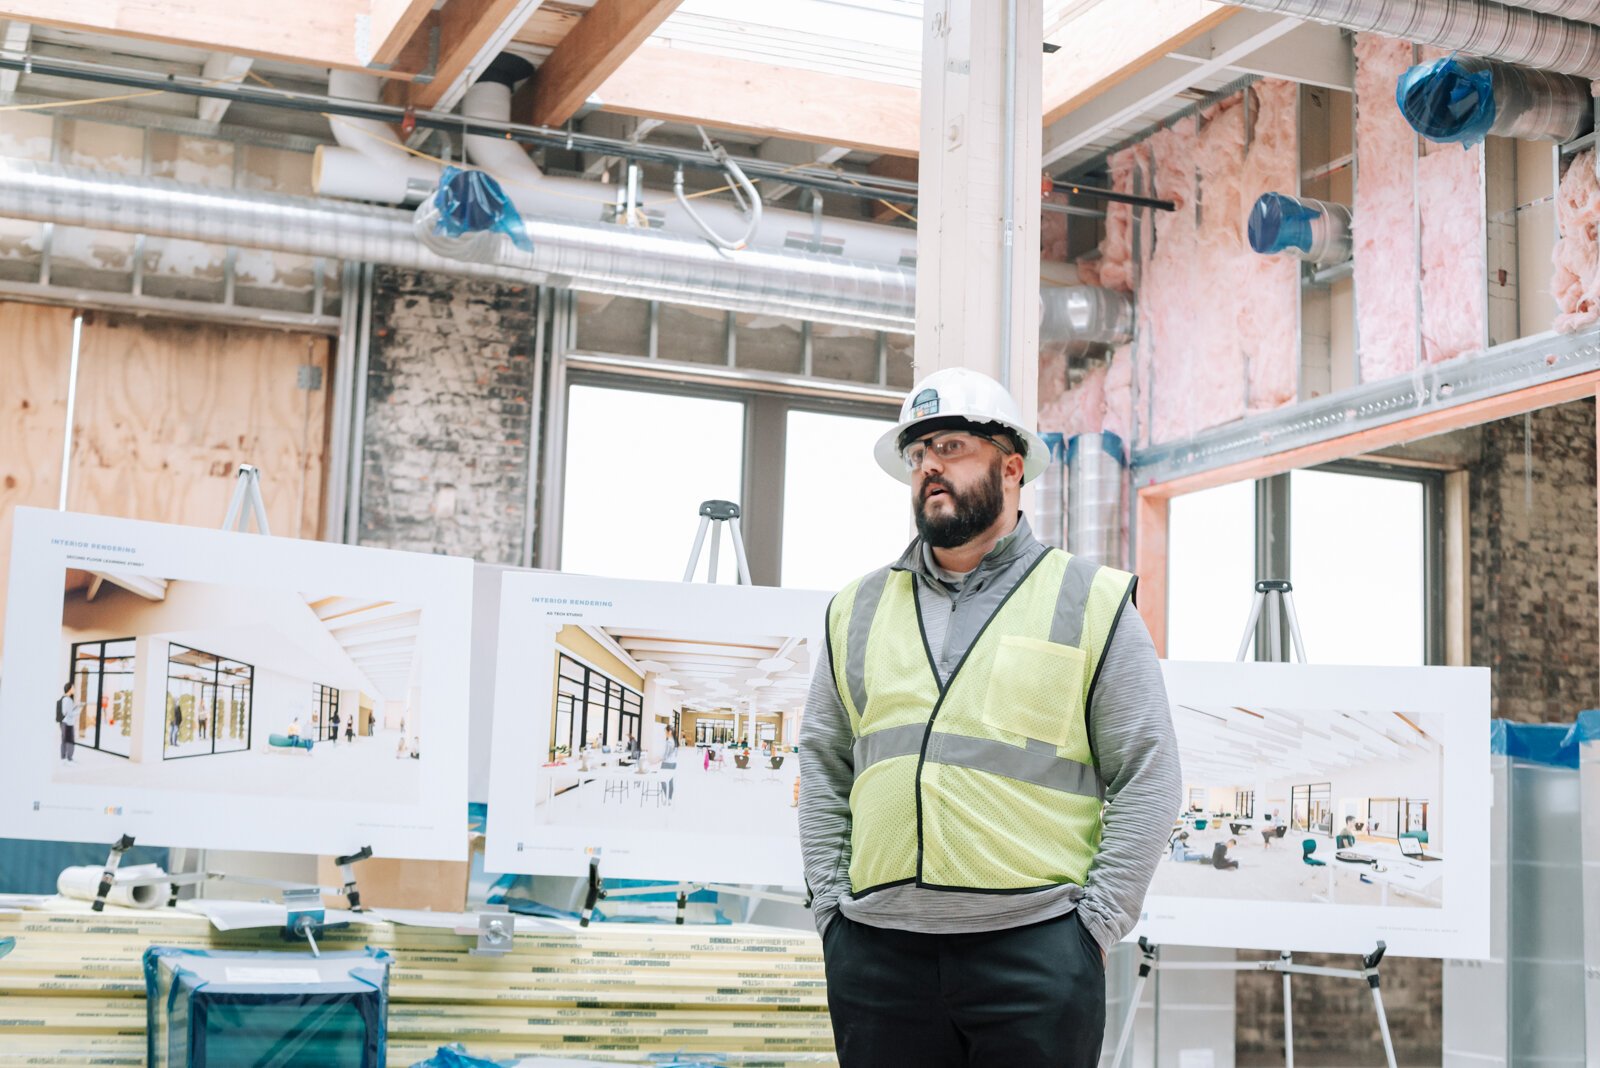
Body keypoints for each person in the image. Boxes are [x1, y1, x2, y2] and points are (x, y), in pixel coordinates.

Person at [799, 368, 1181, 1067]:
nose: (930, 467)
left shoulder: (1089, 602)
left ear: (1011, 468)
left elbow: (1149, 774)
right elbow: (823, 767)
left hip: (1035, 951)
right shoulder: (854, 609)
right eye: (917, 455)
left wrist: (1092, 928)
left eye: (951, 446)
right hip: (877, 954)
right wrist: (831, 911)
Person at [56, 682, 77, 762]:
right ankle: (69, 758)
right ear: (70, 689)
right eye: (73, 688)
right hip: (68, 723)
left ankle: (63, 757)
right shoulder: (68, 700)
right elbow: (69, 713)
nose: (74, 689)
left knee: (64, 740)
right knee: (70, 740)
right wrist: (77, 711)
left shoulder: (63, 698)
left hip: (63, 722)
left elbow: (64, 711)